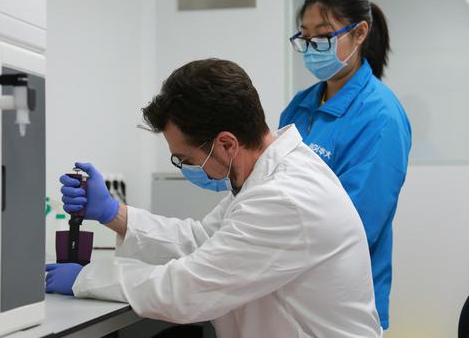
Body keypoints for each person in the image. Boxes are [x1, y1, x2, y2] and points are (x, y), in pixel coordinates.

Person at [47, 59, 383, 337]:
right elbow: (203, 243)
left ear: (226, 144)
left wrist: (86, 279)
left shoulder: (285, 198)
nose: (186, 168)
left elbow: (190, 288)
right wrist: (114, 213)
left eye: (185, 159)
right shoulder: (265, 179)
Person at [279, 0, 412, 329]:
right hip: (288, 293)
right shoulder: (299, 106)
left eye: (322, 36)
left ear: (360, 33)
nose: (311, 47)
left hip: (342, 302)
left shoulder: (381, 115)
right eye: (304, 38)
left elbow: (357, 223)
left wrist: (272, 248)